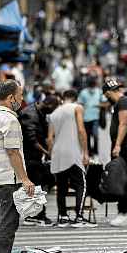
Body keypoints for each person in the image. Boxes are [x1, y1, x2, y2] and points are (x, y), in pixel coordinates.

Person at [0, 80, 35, 253]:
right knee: (8, 220)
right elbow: (13, 152)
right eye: (20, 95)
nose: (22, 99)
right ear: (11, 97)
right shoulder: (10, 120)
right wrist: (25, 179)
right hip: (7, 179)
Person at [48, 90, 92, 228]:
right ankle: (79, 217)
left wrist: (51, 154)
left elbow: (50, 138)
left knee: (61, 186)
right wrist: (85, 152)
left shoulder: (54, 113)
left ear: (63, 98)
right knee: (81, 184)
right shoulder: (77, 108)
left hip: (57, 153)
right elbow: (81, 130)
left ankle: (63, 216)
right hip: (72, 152)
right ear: (75, 98)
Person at [19, 95, 59, 226]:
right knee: (36, 185)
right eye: (53, 108)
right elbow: (32, 139)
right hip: (29, 156)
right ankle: (37, 215)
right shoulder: (30, 114)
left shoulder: (39, 112)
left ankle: (35, 214)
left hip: (34, 157)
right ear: (48, 105)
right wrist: (47, 152)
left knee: (39, 183)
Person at [103, 78, 127, 227]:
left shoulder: (123, 102)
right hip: (123, 145)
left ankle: (122, 212)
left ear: (108, 93)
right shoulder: (122, 102)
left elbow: (123, 123)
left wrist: (117, 145)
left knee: (119, 179)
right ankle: (123, 212)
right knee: (121, 177)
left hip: (123, 146)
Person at [78, 76, 104, 157]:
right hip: (85, 118)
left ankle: (95, 151)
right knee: (87, 136)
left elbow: (105, 103)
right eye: (91, 84)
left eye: (93, 84)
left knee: (95, 135)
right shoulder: (83, 92)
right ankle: (89, 151)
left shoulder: (99, 92)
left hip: (95, 118)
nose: (92, 86)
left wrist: (98, 105)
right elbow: (80, 104)